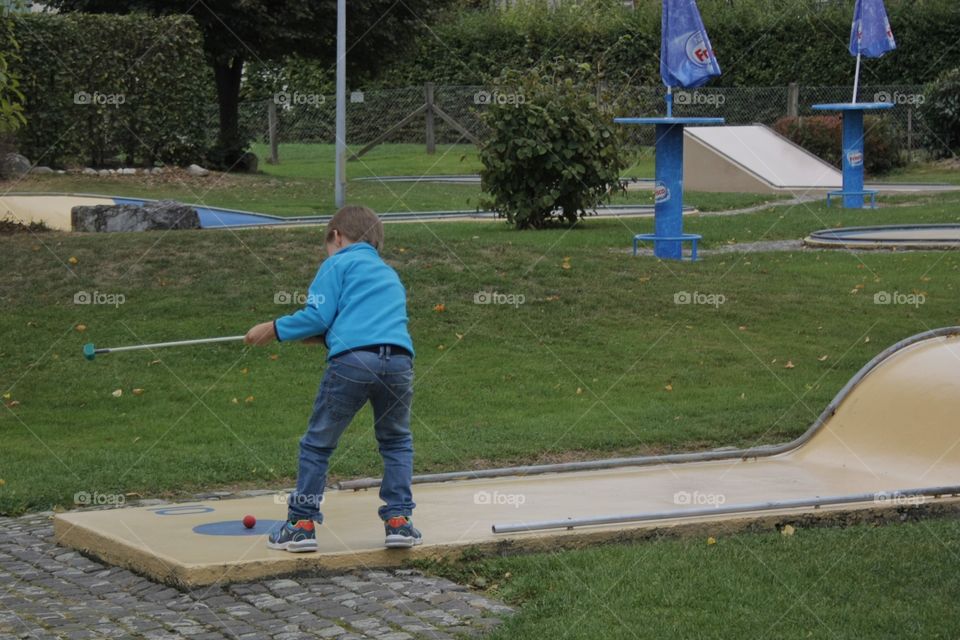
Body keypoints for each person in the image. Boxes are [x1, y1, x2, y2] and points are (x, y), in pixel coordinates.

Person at [244, 205, 419, 552]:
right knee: (396, 441)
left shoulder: (336, 263)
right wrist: (327, 337)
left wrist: (274, 329)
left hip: (352, 362)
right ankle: (399, 522)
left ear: (337, 237)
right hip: (399, 362)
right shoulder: (388, 274)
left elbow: (317, 315)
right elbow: (360, 319)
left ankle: (301, 525)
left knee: (318, 443)